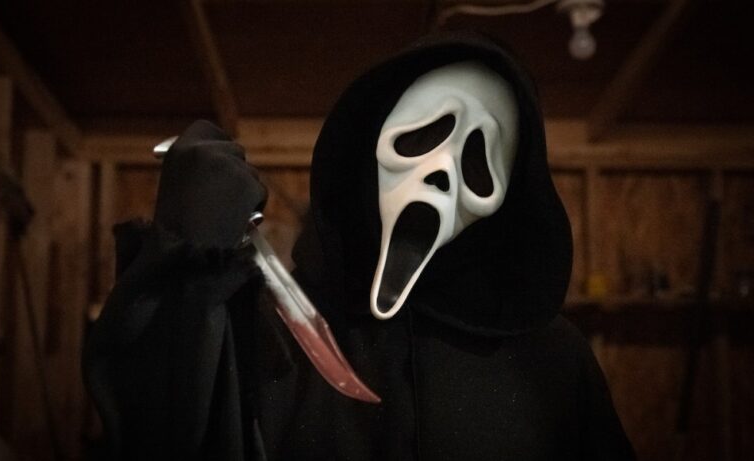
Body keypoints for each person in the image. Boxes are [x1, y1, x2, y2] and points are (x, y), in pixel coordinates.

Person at [84, 33, 635, 460]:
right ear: (368, 145)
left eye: (477, 161)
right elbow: (152, 431)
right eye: (422, 136)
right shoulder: (271, 334)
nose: (441, 174)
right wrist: (184, 258)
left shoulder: (555, 363)